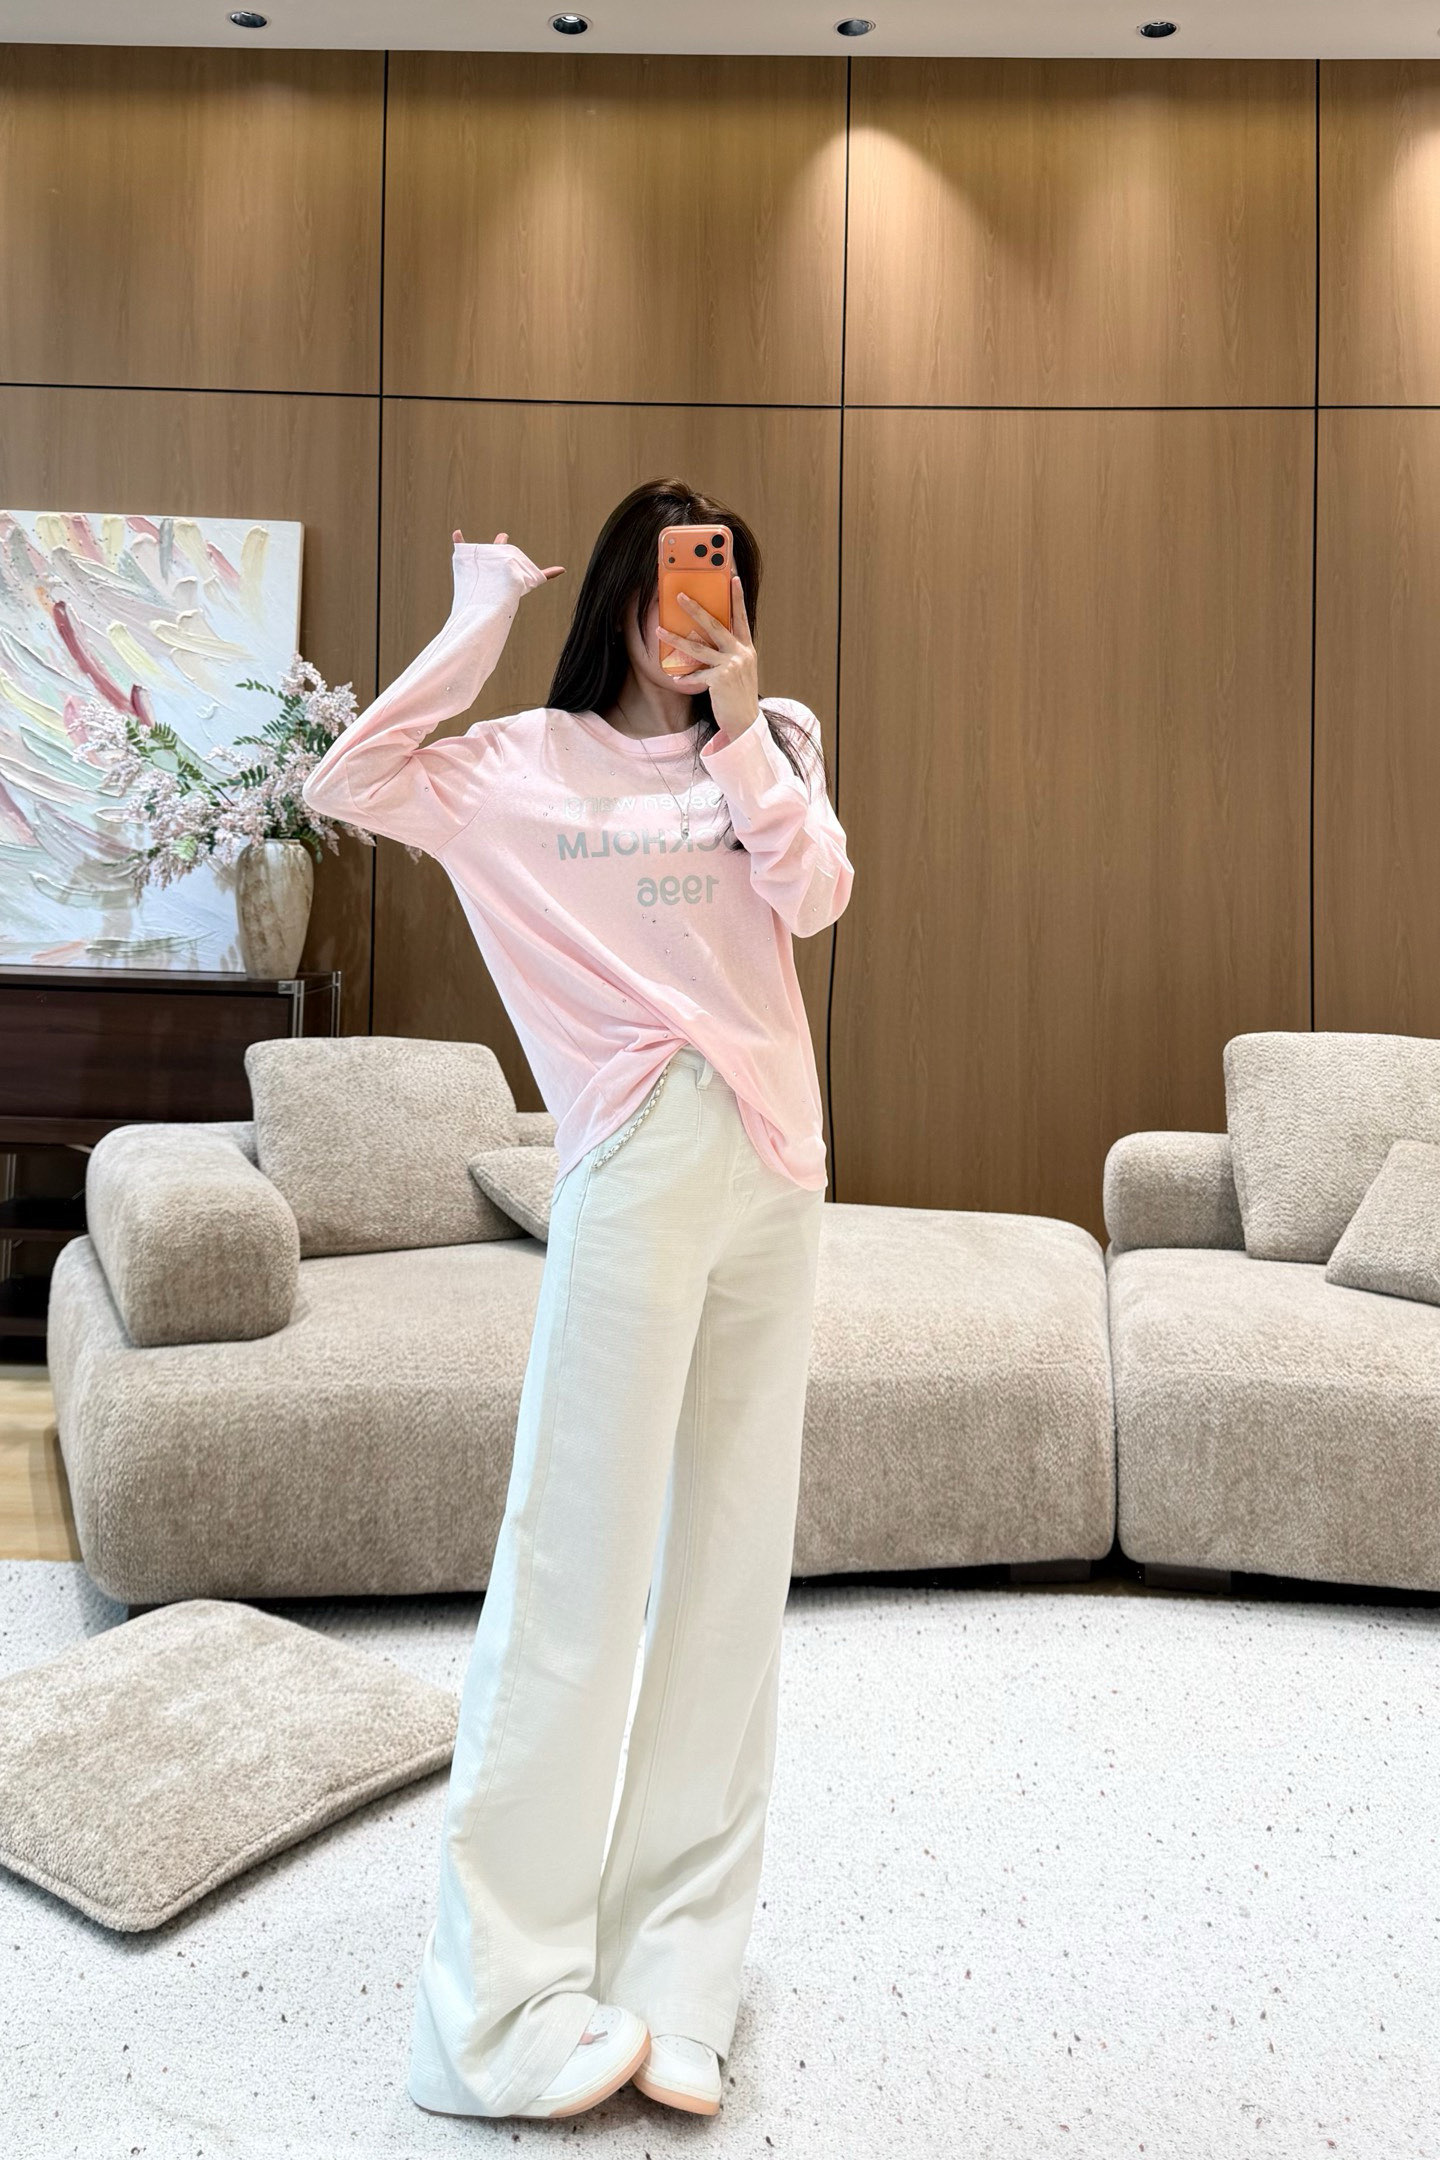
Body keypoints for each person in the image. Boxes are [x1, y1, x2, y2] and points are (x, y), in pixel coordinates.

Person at [300, 477, 855, 2123]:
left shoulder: (773, 744)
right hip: (634, 1162)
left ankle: (679, 1971)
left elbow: (816, 895)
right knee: (573, 1578)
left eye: (724, 586)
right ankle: (489, 2014)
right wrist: (482, 611)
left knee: (728, 1586)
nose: (698, 612)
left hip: (777, 1175)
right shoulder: (520, 770)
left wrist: (743, 731)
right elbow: (349, 777)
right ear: (623, 589)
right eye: (678, 582)